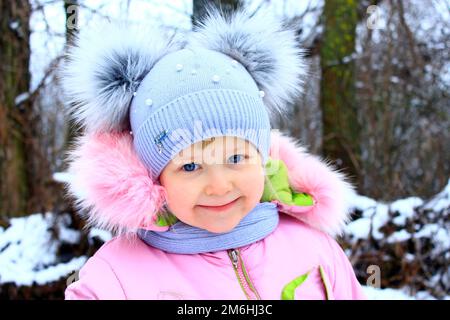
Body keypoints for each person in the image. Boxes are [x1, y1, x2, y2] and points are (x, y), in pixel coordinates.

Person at [60, 8, 366, 300]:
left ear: (261, 158)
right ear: (155, 178)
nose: (219, 185)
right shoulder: (115, 280)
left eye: (235, 159)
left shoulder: (315, 250)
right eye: (190, 166)